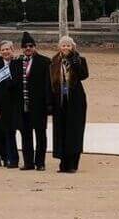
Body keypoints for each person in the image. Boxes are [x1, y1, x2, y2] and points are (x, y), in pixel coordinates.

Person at [10, 31, 52, 171]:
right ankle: (28, 162)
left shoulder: (45, 62)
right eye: (25, 46)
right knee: (25, 134)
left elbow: (48, 85)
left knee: (40, 134)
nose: (28, 48)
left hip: (38, 105)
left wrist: (48, 104)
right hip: (22, 105)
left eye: (30, 45)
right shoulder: (15, 63)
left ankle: (40, 162)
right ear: (22, 48)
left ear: (34, 46)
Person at [50, 36, 88, 173]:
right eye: (63, 46)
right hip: (59, 100)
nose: (66, 48)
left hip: (75, 100)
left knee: (74, 131)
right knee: (61, 131)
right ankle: (63, 162)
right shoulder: (54, 61)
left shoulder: (79, 59)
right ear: (59, 47)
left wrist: (74, 62)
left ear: (73, 47)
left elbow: (84, 75)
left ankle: (73, 163)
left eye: (68, 46)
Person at [0, 40, 20, 168]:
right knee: (8, 133)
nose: (5, 52)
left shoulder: (18, 63)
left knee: (23, 133)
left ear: (12, 50)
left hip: (18, 104)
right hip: (4, 105)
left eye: (7, 49)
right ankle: (11, 159)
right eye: (2, 50)